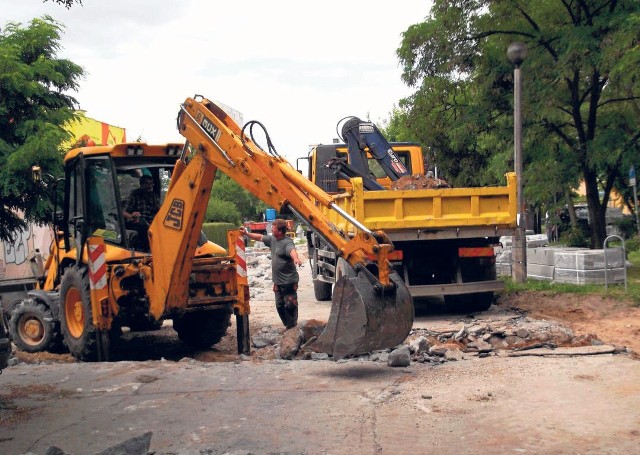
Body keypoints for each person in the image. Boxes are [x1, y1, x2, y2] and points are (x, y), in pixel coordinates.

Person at [240, 219, 303, 329]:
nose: (271, 230)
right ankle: (288, 325)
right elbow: (259, 237)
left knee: (290, 304)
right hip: (278, 281)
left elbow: (291, 250)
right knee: (279, 305)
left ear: (280, 231)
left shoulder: (287, 242)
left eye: (273, 229)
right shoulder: (272, 239)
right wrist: (246, 233)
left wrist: (296, 259)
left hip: (289, 281)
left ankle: (292, 327)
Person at [123, 175, 160, 250]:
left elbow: (158, 209)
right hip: (138, 222)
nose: (150, 186)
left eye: (151, 183)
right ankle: (143, 250)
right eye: (147, 183)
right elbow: (123, 212)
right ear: (141, 184)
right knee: (143, 226)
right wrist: (131, 215)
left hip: (152, 222)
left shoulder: (154, 196)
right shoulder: (135, 194)